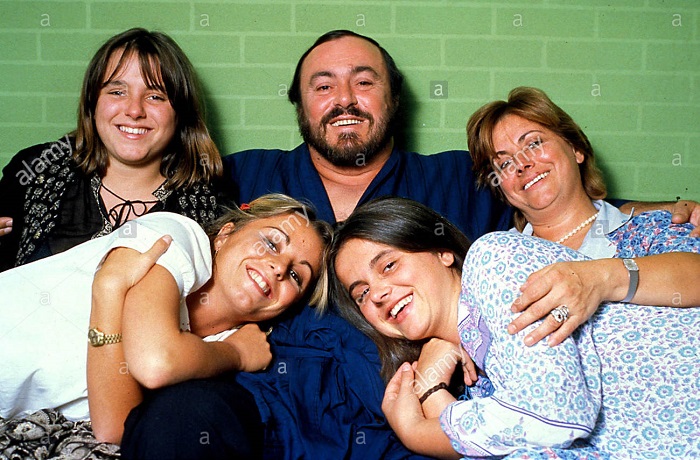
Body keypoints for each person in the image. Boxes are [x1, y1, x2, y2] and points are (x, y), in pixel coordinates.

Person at [121, 30, 700, 459]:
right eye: (323, 85)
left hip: (407, 417)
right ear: (300, 104)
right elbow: (149, 241)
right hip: (266, 406)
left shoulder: (455, 181)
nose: (344, 98)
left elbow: (554, 200)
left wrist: (666, 210)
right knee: (180, 419)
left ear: (392, 99)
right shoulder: (241, 177)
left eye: (364, 82)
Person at [329, 196, 700, 459]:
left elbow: (556, 412)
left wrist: (417, 431)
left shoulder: (493, 258)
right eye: (361, 294)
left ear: (442, 252)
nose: (377, 294)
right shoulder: (482, 388)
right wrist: (432, 389)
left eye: (388, 265)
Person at [0, 194, 332, 449]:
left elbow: (114, 429)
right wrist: (237, 354)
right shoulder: (177, 236)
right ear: (225, 234)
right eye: (271, 242)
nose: (278, 267)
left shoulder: (218, 348)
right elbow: (156, 361)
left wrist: (109, 293)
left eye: (296, 275)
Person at [466, 87, 700, 347]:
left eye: (533, 144)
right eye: (505, 164)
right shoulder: (496, 260)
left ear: (576, 148)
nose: (522, 164)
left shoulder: (650, 227)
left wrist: (601, 278)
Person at [0, 28, 224, 272]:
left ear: (181, 112)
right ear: (92, 102)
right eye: (117, 92)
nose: (134, 110)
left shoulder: (207, 207)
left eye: (155, 96)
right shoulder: (37, 168)